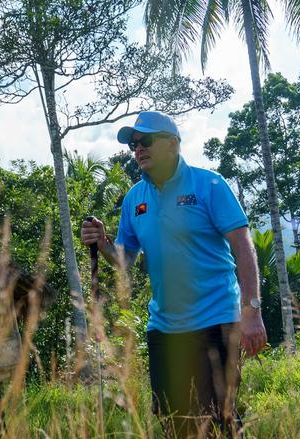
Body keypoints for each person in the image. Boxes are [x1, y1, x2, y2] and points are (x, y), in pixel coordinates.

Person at [81, 111, 267, 437]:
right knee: (172, 419)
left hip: (217, 320)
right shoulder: (134, 199)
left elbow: (243, 247)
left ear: (172, 144)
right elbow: (124, 258)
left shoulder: (209, 184)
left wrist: (251, 310)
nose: (138, 149)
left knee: (219, 417)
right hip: (164, 326)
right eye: (133, 144)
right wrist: (103, 242)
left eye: (146, 141)